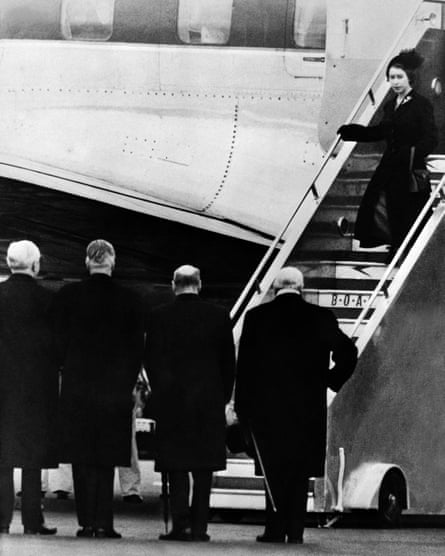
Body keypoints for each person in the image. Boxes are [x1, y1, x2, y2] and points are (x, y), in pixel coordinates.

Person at [235, 267, 357, 544]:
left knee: (273, 468)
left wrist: (243, 407)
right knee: (299, 471)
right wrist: (329, 380)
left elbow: (246, 369)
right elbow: (348, 353)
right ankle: (296, 530)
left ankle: (274, 530)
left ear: (276, 288)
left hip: (267, 409)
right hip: (307, 408)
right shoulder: (321, 318)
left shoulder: (257, 318)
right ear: (300, 288)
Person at [53, 239, 145, 539]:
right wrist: (129, 382)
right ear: (112, 261)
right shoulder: (129, 299)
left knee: (81, 456)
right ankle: (105, 522)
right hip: (114, 389)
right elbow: (136, 349)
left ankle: (86, 522)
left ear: (87, 262)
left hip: (78, 386)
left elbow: (56, 342)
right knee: (105, 457)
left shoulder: (68, 296)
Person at [145, 264, 235, 542]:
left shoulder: (159, 316)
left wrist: (160, 392)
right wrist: (223, 398)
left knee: (177, 466)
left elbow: (152, 360)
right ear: (200, 284)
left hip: (172, 401)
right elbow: (228, 363)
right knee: (204, 468)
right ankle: (200, 527)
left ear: (174, 285)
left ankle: (179, 525)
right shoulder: (219, 316)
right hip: (207, 402)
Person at [338, 49, 437, 259]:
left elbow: (431, 139)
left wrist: (411, 153)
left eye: (399, 77)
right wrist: (353, 131)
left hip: (410, 166)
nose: (395, 82)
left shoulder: (421, 105)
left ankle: (405, 250)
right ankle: (395, 247)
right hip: (391, 166)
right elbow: (381, 132)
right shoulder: (391, 105)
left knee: (407, 211)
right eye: (391, 77)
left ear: (410, 78)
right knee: (383, 206)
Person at [0, 240, 58, 536]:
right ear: (35, 265)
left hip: (2, 388)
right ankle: (33, 521)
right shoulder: (48, 300)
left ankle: (1, 520)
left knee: (2, 458)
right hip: (37, 389)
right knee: (33, 459)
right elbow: (57, 347)